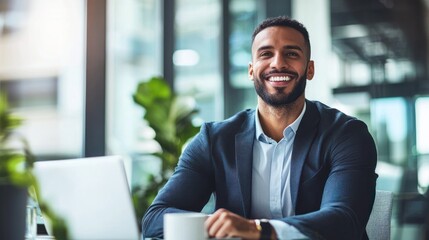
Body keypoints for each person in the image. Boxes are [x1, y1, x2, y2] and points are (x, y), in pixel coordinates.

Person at [142, 15, 377, 240]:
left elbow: (345, 221)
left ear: (310, 69)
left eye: (291, 53)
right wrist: (219, 226)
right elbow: (155, 218)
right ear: (251, 70)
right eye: (266, 54)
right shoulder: (213, 140)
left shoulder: (346, 134)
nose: (278, 63)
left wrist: (258, 230)